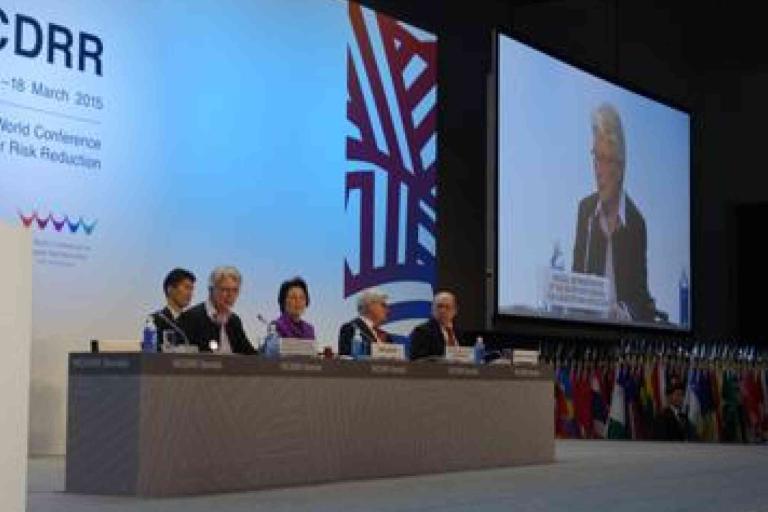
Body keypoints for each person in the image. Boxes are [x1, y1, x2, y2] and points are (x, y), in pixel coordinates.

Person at [571, 103, 656, 322]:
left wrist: (623, 313)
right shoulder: (586, 211)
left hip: (621, 334)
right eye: (596, 158)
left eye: (606, 160)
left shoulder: (635, 222)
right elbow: (575, 281)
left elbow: (641, 299)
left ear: (620, 166)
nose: (598, 171)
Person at [177, 266, 256, 354]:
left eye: (235, 290)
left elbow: (251, 355)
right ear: (211, 290)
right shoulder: (190, 318)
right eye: (225, 290)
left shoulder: (234, 321)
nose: (230, 295)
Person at [409, 291, 466, 360]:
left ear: (455, 310)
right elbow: (417, 360)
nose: (443, 311)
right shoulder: (421, 332)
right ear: (432, 309)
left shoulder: (460, 333)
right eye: (439, 306)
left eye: (447, 307)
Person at [151, 268, 195, 351]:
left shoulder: (193, 320)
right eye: (186, 288)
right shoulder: (156, 320)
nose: (190, 293)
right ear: (170, 289)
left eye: (191, 289)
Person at [338, 288, 392, 355]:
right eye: (383, 305)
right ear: (370, 306)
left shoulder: (386, 337)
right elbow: (347, 358)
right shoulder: (350, 328)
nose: (388, 310)